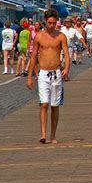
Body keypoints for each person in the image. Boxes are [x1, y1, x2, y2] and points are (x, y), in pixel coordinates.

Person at [27, 9, 70, 144]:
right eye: (49, 23)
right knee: (44, 104)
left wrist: (67, 68)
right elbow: (33, 56)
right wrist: (29, 76)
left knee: (55, 105)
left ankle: (53, 135)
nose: (51, 25)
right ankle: (43, 134)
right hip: (43, 73)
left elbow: (67, 55)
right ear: (45, 21)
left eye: (54, 23)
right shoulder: (39, 36)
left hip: (56, 73)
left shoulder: (61, 36)